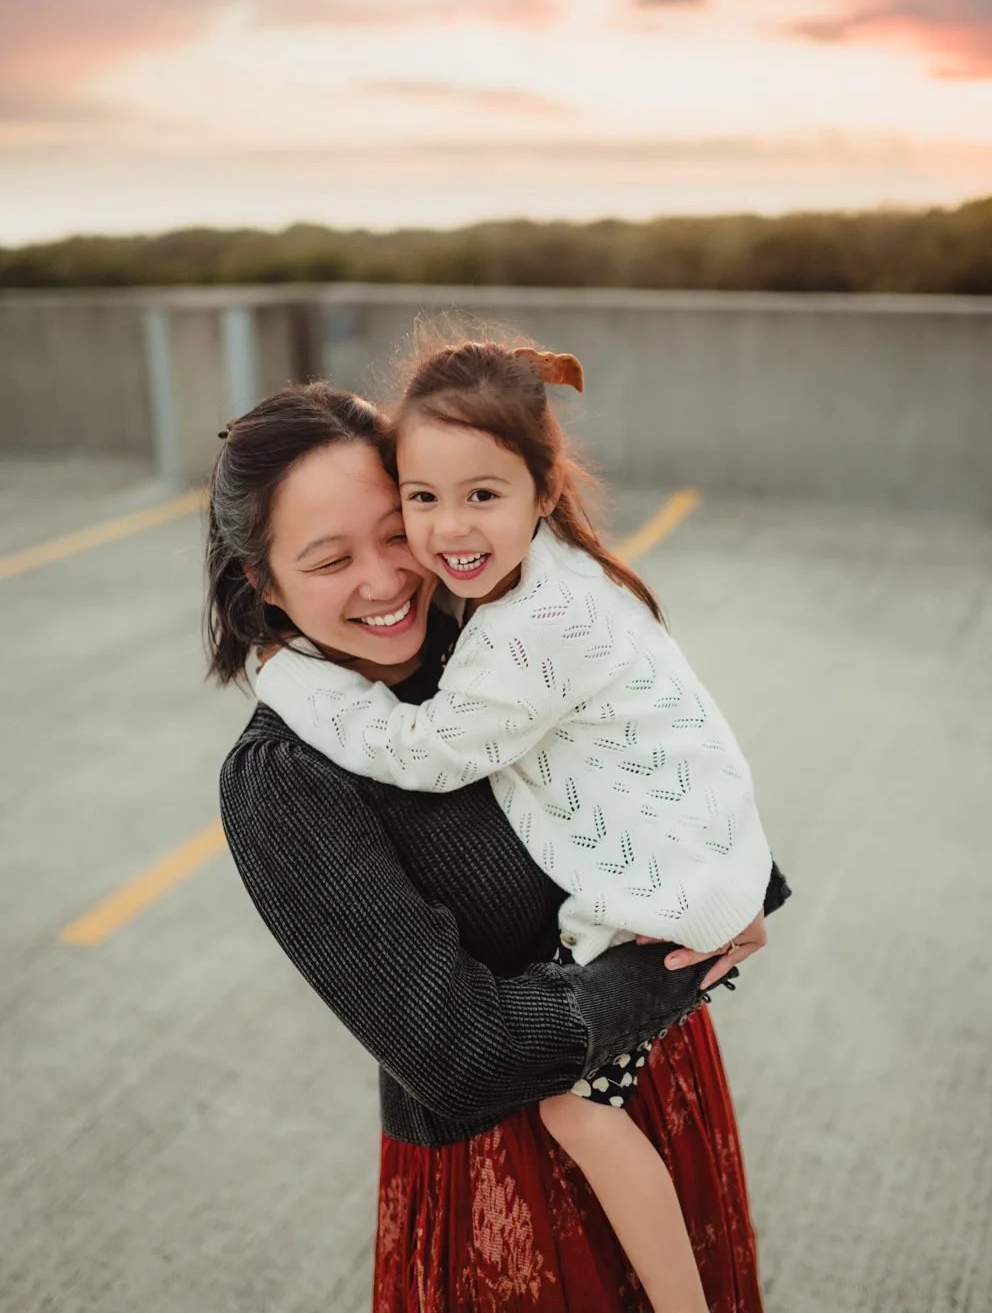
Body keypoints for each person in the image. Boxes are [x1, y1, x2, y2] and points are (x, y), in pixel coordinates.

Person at [209, 380, 791, 1312]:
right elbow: (463, 1056)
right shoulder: (286, 782)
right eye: (329, 560)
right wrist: (688, 961)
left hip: (660, 1091)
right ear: (264, 584)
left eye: (396, 527)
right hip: (506, 1182)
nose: (387, 579)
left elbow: (654, 747)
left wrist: (741, 879)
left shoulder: (497, 635)